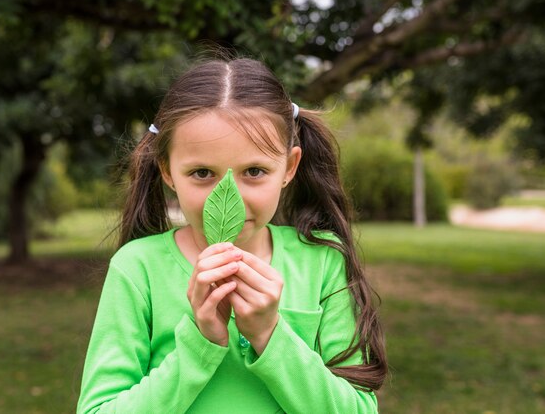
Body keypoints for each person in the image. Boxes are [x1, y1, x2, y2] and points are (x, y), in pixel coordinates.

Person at [77, 58, 387, 414]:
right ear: (167, 171)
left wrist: (270, 335)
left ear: (288, 168)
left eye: (254, 171)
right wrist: (200, 343)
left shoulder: (322, 259)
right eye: (202, 172)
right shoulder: (137, 268)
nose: (230, 200)